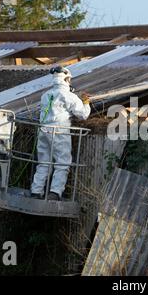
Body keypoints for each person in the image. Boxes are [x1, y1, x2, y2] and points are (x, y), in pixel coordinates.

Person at [30, 66, 91, 201]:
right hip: (59, 131)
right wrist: (86, 103)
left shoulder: (46, 95)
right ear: (67, 79)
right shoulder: (69, 96)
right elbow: (83, 115)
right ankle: (55, 192)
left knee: (44, 162)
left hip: (43, 130)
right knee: (63, 162)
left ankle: (36, 191)